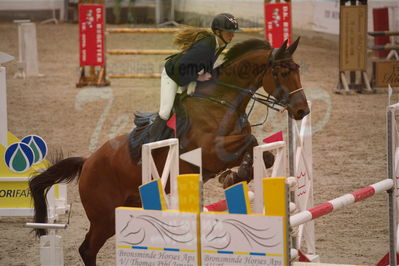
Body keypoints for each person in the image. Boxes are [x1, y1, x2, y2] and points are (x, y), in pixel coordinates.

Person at [148, 13, 242, 142]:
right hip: (173, 75)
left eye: (233, 32)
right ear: (218, 32)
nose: (232, 35)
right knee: (165, 112)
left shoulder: (221, 43)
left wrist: (209, 76)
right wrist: (198, 78)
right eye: (229, 32)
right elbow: (181, 68)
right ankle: (149, 143)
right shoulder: (204, 47)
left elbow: (208, 62)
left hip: (189, 74)